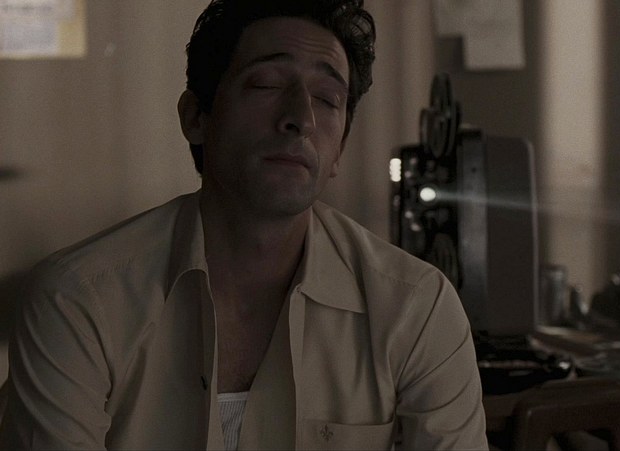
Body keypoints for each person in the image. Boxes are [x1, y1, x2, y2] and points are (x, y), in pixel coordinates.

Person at [0, 0, 488, 449]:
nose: (301, 119)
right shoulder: (80, 300)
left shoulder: (415, 307)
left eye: (327, 98)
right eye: (266, 84)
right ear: (196, 117)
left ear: (339, 148)